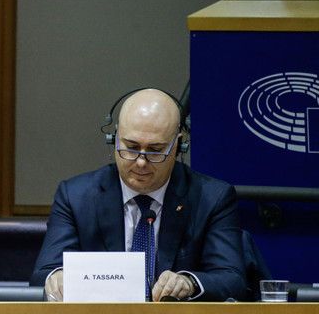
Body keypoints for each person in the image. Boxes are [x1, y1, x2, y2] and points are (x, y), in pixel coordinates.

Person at [31, 88, 246, 302]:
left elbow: (232, 279)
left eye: (155, 150)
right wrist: (57, 279)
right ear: (114, 139)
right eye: (131, 147)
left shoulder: (212, 198)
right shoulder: (76, 196)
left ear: (179, 146)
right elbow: (44, 273)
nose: (141, 162)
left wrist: (189, 282)